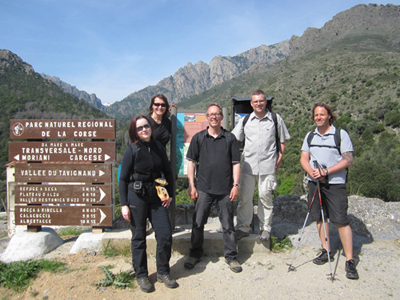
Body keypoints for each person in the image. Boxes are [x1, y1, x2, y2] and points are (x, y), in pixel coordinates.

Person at [119, 115, 178, 293]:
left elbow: (168, 172)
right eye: (140, 128)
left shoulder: (158, 147)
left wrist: (170, 195)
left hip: (157, 197)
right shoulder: (132, 149)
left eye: (146, 126)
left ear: (150, 127)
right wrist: (124, 204)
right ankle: (142, 275)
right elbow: (122, 179)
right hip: (136, 197)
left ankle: (162, 272)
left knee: (165, 234)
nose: (144, 129)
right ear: (135, 132)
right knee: (139, 237)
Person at [300, 103, 359, 280]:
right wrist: (313, 173)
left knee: (340, 220)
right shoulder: (310, 136)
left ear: (329, 116)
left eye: (322, 114)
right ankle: (326, 251)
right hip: (314, 182)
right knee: (319, 217)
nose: (319, 117)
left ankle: (349, 260)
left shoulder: (340, 134)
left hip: (335, 184)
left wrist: (326, 172)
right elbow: (304, 158)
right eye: (316, 115)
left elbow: (348, 160)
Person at [184, 103, 242, 273]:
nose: (214, 117)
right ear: (207, 117)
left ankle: (231, 257)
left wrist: (235, 185)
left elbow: (236, 163)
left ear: (221, 117)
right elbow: (191, 163)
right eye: (211, 114)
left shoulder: (230, 138)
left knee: (228, 225)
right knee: (197, 223)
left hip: (225, 190)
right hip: (203, 189)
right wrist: (191, 185)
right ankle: (195, 254)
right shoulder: (199, 138)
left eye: (217, 114)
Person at [232, 89, 290, 241]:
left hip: (267, 167)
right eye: (255, 101)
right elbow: (233, 139)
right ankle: (243, 228)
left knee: (265, 197)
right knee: (245, 198)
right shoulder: (245, 121)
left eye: (261, 101)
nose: (258, 104)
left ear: (266, 102)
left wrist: (278, 160)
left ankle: (265, 229)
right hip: (247, 167)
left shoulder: (276, 119)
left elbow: (282, 142)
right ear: (251, 104)